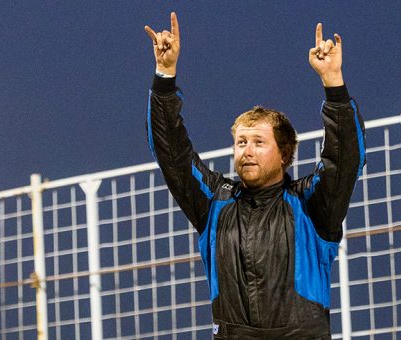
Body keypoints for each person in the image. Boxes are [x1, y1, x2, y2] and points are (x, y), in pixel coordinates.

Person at [145, 12, 365, 339]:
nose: (246, 150)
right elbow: (171, 153)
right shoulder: (214, 203)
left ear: (285, 153)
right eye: (240, 142)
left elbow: (344, 159)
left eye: (259, 142)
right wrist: (165, 75)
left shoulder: (312, 204)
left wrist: (334, 82)